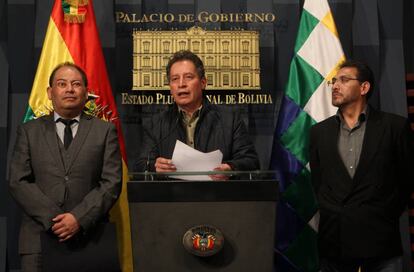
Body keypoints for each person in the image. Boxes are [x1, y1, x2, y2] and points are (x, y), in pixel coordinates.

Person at [9, 62, 122, 272]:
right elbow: (18, 181)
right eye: (62, 84)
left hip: (90, 239)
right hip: (38, 240)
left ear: (87, 93)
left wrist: (78, 218)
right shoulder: (28, 131)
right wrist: (56, 219)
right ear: (50, 92)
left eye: (76, 84)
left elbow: (112, 182)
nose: (69, 89)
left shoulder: (105, 131)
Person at [309, 59, 414, 271]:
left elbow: (407, 180)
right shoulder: (319, 132)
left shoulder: (395, 127)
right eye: (334, 81)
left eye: (344, 80)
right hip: (334, 243)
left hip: (380, 241)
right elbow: (319, 182)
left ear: (364, 87)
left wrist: (383, 212)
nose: (335, 86)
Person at [135, 50, 259, 179]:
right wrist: (153, 167)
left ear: (203, 83)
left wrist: (230, 168)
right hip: (172, 196)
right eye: (175, 79)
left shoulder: (230, 119)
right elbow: (140, 167)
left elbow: (251, 162)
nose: (181, 84)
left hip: (218, 196)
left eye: (188, 77)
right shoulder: (156, 124)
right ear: (170, 87)